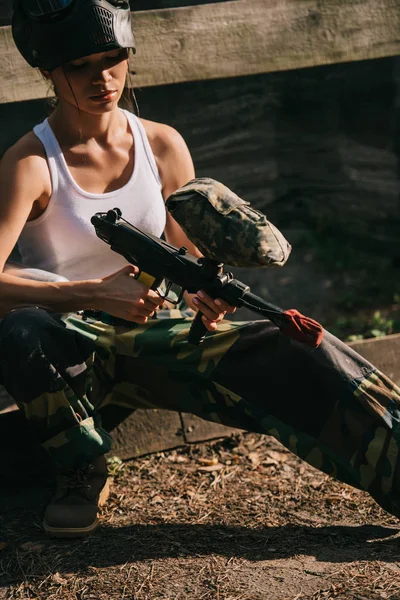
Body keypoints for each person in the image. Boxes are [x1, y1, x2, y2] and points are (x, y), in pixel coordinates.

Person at [1, 0, 399, 539]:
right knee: (22, 330)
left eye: (114, 57)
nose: (103, 77)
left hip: (159, 342)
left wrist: (204, 298)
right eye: (80, 65)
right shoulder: (30, 163)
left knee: (292, 347)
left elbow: (188, 255)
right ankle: (81, 466)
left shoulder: (161, 144)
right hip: (73, 357)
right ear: (48, 71)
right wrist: (90, 292)